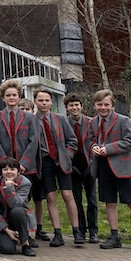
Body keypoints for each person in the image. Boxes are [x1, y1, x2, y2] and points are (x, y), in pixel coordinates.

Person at [89, 89, 131, 252]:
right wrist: (94, 148)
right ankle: (114, 236)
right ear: (95, 105)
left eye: (106, 105)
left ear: (112, 105)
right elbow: (90, 140)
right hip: (103, 168)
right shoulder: (93, 122)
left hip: (122, 168)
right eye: (100, 104)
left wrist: (107, 149)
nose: (103, 108)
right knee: (109, 202)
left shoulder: (123, 121)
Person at [0, 80, 42, 243]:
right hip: (6, 167)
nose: (11, 98)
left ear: (19, 97)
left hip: (25, 165)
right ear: (3, 98)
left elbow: (34, 141)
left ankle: (28, 233)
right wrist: (5, 164)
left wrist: (24, 164)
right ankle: (9, 230)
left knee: (25, 200)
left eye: (14, 95)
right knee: (6, 197)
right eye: (8, 95)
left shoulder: (29, 117)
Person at [33, 89, 81, 246]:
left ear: (51, 102)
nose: (44, 103)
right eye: (41, 100)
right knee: (51, 197)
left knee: (68, 195)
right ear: (35, 102)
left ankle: (76, 230)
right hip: (45, 161)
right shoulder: (32, 121)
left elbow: (72, 140)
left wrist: (67, 155)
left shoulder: (60, 119)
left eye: (47, 100)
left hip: (61, 160)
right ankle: (58, 232)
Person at [64, 92, 98, 243]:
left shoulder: (91, 123)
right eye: (71, 105)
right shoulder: (63, 124)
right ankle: (81, 230)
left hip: (89, 165)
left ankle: (93, 231)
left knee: (92, 200)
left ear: (81, 106)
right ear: (67, 108)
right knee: (76, 200)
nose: (74, 108)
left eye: (77, 105)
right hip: (72, 167)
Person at [0, 157, 36, 256]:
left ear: (18, 171)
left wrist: (9, 188)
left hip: (20, 217)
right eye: (5, 169)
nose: (9, 172)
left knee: (17, 211)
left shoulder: (25, 183)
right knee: (7, 250)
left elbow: (15, 204)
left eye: (12, 169)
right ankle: (9, 236)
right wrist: (6, 229)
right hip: (4, 220)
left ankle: (25, 243)